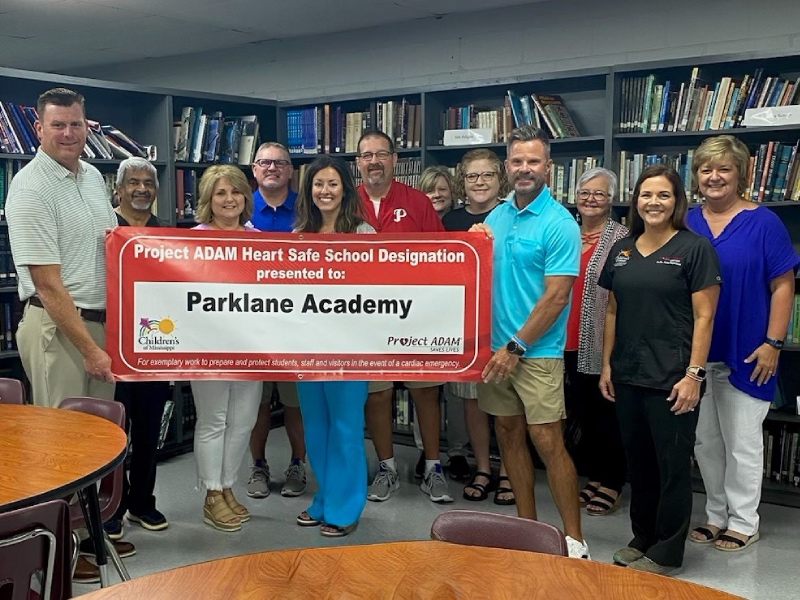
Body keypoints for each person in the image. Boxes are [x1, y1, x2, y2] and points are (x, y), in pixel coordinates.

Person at [6, 87, 119, 584]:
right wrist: (91, 349)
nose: (69, 134)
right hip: (60, 329)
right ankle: (55, 558)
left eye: (76, 124)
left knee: (98, 443)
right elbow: (49, 285)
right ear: (39, 129)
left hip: (99, 325)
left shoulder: (93, 176)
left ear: (87, 126)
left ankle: (87, 534)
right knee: (61, 448)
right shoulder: (29, 187)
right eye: (58, 125)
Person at [471, 125, 588, 559]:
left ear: (548, 168)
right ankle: (527, 530)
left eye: (533, 161)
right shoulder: (495, 217)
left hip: (534, 354)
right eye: (517, 161)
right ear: (507, 167)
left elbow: (557, 297)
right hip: (493, 352)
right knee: (507, 434)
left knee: (548, 442)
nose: (525, 169)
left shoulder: (560, 224)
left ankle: (575, 540)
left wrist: (515, 347)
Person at [599, 163, 721, 575]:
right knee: (640, 464)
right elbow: (612, 309)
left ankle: (667, 551)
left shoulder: (694, 248)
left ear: (677, 202)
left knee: (672, 468)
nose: (654, 202)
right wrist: (606, 367)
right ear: (636, 201)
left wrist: (694, 375)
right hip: (628, 373)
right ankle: (643, 537)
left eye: (663, 195)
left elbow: (705, 317)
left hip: (673, 377)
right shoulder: (623, 249)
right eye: (646, 194)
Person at [686, 135, 799, 552]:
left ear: (740, 175)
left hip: (750, 349)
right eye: (705, 169)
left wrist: (774, 342)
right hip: (699, 352)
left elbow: (783, 285)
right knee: (705, 441)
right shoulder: (688, 221)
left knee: (743, 441)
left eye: (723, 169)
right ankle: (716, 515)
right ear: (696, 176)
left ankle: (744, 521)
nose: (714, 177)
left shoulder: (764, 222)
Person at [356, 130, 452, 504]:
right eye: (367, 155)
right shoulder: (348, 203)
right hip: (367, 321)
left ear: (395, 160)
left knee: (425, 393)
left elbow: (444, 256)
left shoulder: (416, 202)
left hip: (416, 319)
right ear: (359, 163)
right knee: (377, 397)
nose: (374, 161)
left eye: (382, 154)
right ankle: (387, 468)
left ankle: (432, 468)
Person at [293, 155, 374, 537]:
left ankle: (346, 508)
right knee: (316, 429)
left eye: (332, 184)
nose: (324, 191)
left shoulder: (363, 234)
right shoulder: (298, 237)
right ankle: (324, 499)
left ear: (345, 189)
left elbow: (378, 292)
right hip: (307, 348)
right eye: (318, 184)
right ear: (309, 191)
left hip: (350, 350)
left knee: (345, 428)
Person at [191, 164, 263, 532]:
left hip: (251, 345)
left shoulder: (261, 239)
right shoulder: (192, 241)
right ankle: (210, 493)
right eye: (220, 193)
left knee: (243, 422)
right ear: (209, 199)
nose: (229, 199)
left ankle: (228, 485)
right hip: (209, 346)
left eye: (236, 192)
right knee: (214, 420)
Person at [105, 157, 171, 538]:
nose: (142, 189)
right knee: (116, 430)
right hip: (112, 346)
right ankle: (112, 504)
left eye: (148, 182)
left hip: (155, 346)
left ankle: (143, 503)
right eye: (134, 183)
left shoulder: (170, 235)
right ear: (120, 188)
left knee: (148, 429)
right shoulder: (106, 227)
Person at [444, 149, 514, 504]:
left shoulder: (511, 215)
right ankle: (483, 467)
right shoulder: (451, 219)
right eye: (473, 176)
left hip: (504, 323)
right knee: (472, 401)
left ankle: (507, 471)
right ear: (463, 180)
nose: (480, 182)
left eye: (487, 175)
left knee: (504, 403)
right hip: (466, 325)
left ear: (500, 178)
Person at [565, 167, 628, 516]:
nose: (591, 199)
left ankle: (613, 481)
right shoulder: (567, 232)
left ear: (612, 199)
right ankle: (595, 476)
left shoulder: (623, 239)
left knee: (607, 414)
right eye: (585, 192)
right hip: (564, 339)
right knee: (582, 413)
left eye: (600, 194)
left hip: (601, 342)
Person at [245, 142, 307, 500]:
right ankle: (258, 464)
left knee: (297, 403)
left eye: (280, 163)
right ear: (254, 169)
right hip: (251, 326)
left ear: (290, 170)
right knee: (257, 403)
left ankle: (298, 463)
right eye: (265, 163)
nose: (272, 168)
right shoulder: (239, 205)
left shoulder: (306, 208)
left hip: (297, 325)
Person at [413, 166, 471, 483]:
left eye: (442, 189)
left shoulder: (461, 222)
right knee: (426, 388)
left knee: (458, 391)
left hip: (460, 315)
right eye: (429, 189)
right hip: (425, 316)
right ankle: (427, 448)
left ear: (453, 192)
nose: (436, 195)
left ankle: (458, 451)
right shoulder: (418, 224)